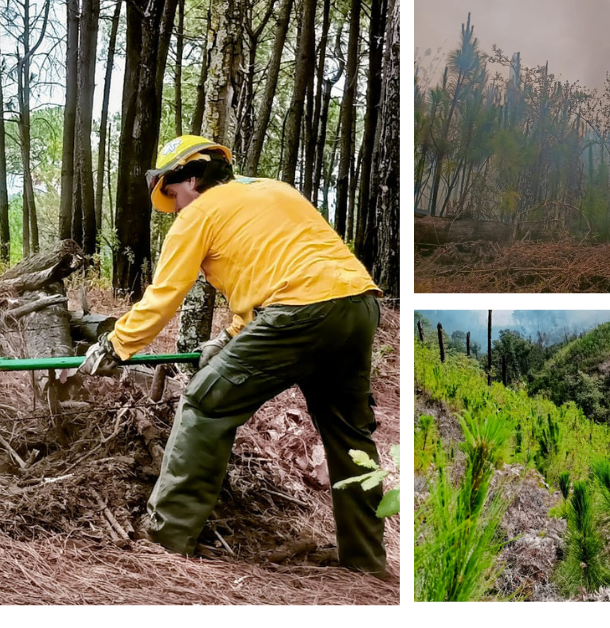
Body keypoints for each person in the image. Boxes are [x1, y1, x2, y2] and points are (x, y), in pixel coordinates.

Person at [74, 135, 386, 573]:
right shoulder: (275, 191)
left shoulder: (199, 213)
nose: (176, 207)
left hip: (300, 315)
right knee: (349, 435)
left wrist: (117, 343)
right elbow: (277, 272)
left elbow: (164, 295)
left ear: (193, 177)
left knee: (205, 404)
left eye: (174, 194)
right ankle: (365, 558)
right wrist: (229, 338)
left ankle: (167, 539)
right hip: (358, 305)